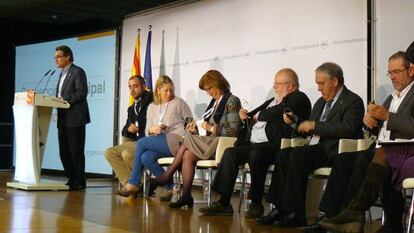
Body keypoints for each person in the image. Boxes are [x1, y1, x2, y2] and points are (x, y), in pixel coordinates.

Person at [257, 62, 365, 227]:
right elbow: (309, 126)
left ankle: (297, 212)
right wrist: (296, 122)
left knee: (298, 155)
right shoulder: (321, 102)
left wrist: (314, 126)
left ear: (335, 81)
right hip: (315, 147)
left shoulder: (353, 101)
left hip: (333, 149)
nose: (318, 89)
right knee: (283, 153)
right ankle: (279, 208)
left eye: (321, 84)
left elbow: (347, 128)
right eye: (317, 84)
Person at [320, 48, 414, 233]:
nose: (393, 77)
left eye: (397, 72)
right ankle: (331, 214)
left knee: (366, 159)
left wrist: (387, 116)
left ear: (410, 71)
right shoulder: (390, 97)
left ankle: (352, 215)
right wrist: (369, 122)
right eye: (390, 73)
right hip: (382, 146)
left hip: (401, 149)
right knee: (343, 159)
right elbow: (381, 127)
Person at [198, 68, 312, 218]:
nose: (274, 87)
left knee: (256, 154)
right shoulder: (273, 101)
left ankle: (256, 203)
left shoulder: (299, 97)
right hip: (256, 142)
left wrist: (259, 115)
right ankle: (223, 202)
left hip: (277, 144)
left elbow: (281, 111)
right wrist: (246, 116)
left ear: (290, 86)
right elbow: (257, 117)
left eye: (277, 84)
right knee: (231, 153)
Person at [150, 70, 241, 208]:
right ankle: (186, 195)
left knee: (186, 140)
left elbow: (234, 132)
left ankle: (168, 174)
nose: (208, 93)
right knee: (187, 154)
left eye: (209, 88)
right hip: (209, 142)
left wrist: (211, 128)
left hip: (221, 144)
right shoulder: (214, 102)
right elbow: (207, 128)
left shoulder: (232, 100)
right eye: (206, 90)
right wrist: (196, 129)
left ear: (218, 83)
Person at [116, 75, 193, 200]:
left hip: (177, 139)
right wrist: (152, 130)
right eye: (166, 90)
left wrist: (186, 129)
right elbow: (147, 130)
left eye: (171, 90)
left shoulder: (178, 102)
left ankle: (133, 183)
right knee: (146, 157)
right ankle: (171, 188)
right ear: (158, 90)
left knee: (141, 143)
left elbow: (190, 122)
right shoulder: (152, 107)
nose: (169, 93)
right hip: (160, 141)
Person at [104, 75, 152, 189]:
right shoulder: (131, 108)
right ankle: (130, 185)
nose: (132, 90)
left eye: (135, 86)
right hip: (134, 142)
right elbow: (124, 130)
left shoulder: (151, 101)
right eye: (130, 87)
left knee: (127, 154)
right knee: (109, 152)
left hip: (147, 141)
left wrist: (139, 128)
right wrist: (128, 129)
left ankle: (136, 185)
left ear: (144, 86)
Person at [55, 45, 90, 190]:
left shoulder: (77, 71)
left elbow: (81, 93)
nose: (56, 60)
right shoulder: (61, 74)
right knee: (64, 151)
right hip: (63, 118)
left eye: (58, 57)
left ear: (68, 56)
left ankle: (80, 180)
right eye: (55, 57)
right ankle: (71, 178)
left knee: (76, 151)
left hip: (75, 118)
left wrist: (64, 99)